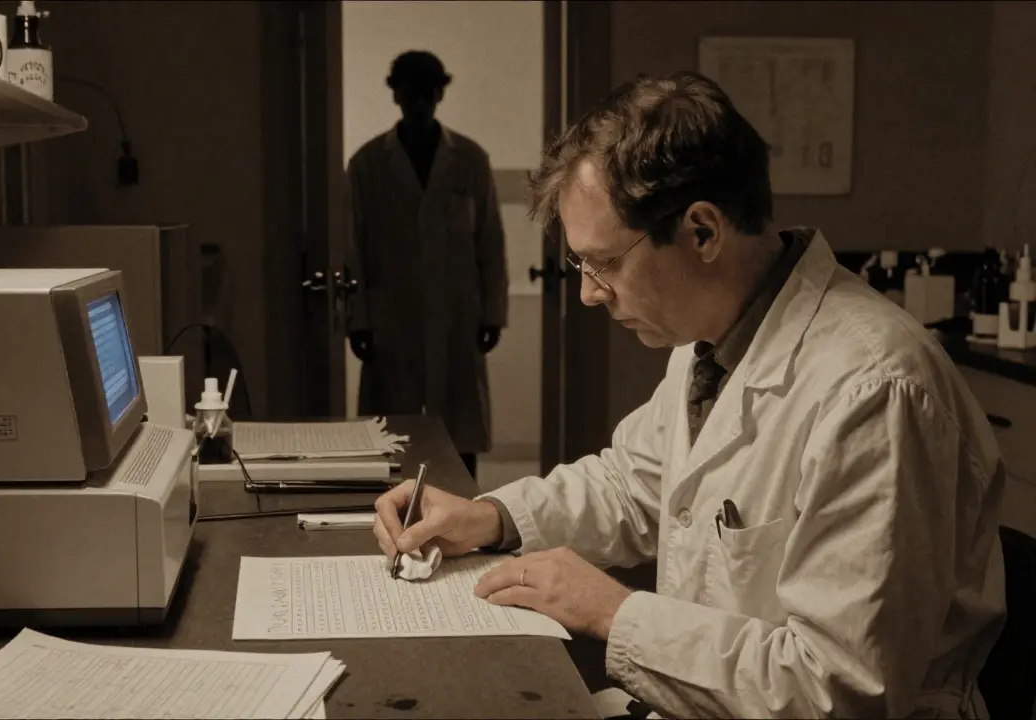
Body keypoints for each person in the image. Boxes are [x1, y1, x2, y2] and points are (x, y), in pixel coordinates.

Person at [372, 71, 1007, 718]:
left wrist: (613, 612)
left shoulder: (875, 390)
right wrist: (491, 518)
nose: (590, 292)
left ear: (702, 232)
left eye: (605, 263)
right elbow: (635, 484)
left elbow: (838, 690)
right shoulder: (711, 341)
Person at [345, 50, 508, 479]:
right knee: (390, 427)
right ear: (395, 94)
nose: (418, 101)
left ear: (439, 93)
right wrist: (357, 320)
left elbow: (489, 241)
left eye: (426, 92)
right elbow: (353, 246)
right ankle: (391, 510)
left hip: (457, 313)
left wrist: (493, 313)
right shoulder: (366, 165)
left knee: (459, 427)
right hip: (390, 316)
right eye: (408, 92)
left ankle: (463, 505)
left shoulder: (470, 160)